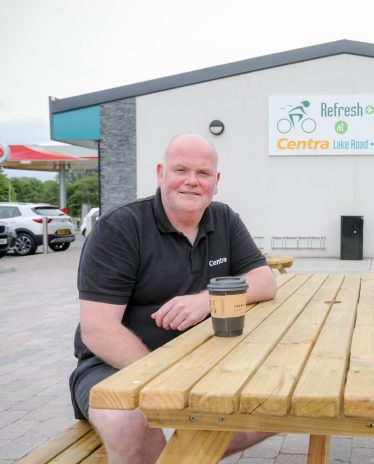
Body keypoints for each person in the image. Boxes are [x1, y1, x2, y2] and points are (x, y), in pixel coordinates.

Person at [69, 133, 277, 463]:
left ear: (216, 181)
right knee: (130, 422)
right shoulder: (120, 227)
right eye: (181, 170)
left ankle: (181, 453)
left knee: (277, 398)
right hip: (114, 367)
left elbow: (264, 281)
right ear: (160, 173)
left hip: (199, 357)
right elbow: (97, 330)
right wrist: (167, 382)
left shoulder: (223, 219)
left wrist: (205, 300)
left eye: (203, 173)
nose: (192, 181)